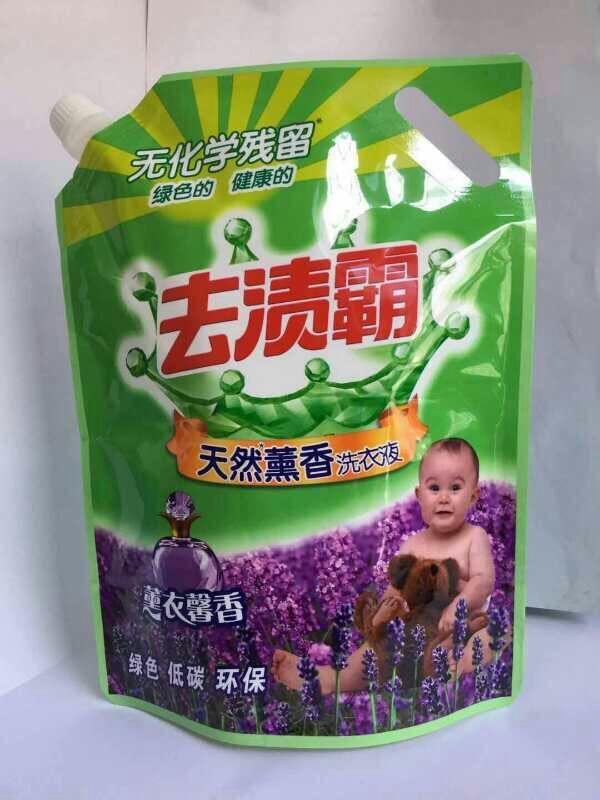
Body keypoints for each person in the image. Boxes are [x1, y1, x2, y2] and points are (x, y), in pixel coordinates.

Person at [271, 437, 503, 693]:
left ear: (473, 496)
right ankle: (330, 679)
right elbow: (395, 589)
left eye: (456, 488)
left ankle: (458, 667)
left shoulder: (474, 537)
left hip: (458, 629)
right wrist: (383, 613)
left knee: (495, 633)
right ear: (419, 496)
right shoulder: (413, 544)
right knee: (372, 651)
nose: (444, 498)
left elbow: (483, 581)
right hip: (412, 635)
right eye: (434, 488)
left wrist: (456, 608)